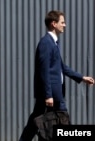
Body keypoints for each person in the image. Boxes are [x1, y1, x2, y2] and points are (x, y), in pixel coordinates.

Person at [19, 10, 95, 141]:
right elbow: (44, 71)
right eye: (62, 22)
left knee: (37, 121)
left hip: (54, 94)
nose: (65, 25)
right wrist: (48, 95)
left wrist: (81, 77)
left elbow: (62, 67)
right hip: (51, 95)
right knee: (57, 120)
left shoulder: (53, 43)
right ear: (54, 23)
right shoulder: (46, 43)